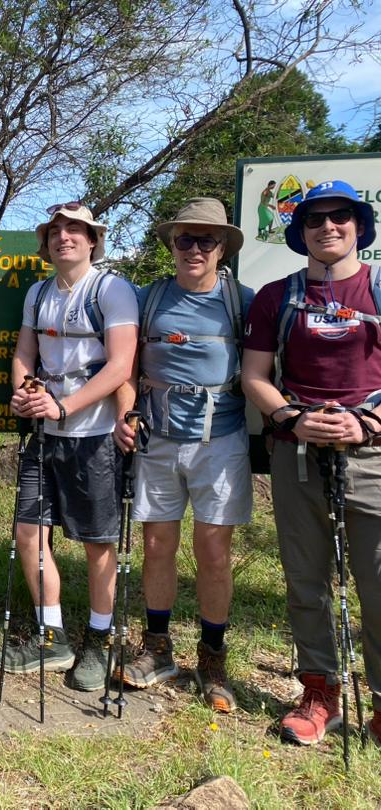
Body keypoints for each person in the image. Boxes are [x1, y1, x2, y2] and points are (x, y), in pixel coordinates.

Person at [241, 179, 381, 746]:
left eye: (340, 216)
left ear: (358, 225)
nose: (328, 226)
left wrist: (370, 422)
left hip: (371, 455)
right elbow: (254, 375)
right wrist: (291, 420)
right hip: (296, 456)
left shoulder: (379, 286)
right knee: (307, 580)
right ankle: (320, 690)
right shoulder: (277, 296)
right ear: (299, 233)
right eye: (315, 219)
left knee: (377, 581)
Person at [0, 202, 138, 691]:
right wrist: (26, 392)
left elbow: (120, 366)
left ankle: (99, 639)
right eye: (56, 230)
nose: (65, 237)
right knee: (29, 532)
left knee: (98, 542)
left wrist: (65, 406)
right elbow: (24, 353)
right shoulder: (38, 292)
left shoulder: (112, 290)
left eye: (76, 230)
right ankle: (51, 635)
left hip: (93, 435)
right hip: (43, 435)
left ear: (93, 240)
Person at [115, 198, 254, 712]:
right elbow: (126, 369)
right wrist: (126, 414)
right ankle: (157, 648)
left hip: (222, 440)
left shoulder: (243, 300)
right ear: (171, 245)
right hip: (157, 436)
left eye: (206, 240)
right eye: (185, 239)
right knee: (157, 545)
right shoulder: (146, 299)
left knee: (214, 550)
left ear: (222, 248)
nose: (194, 249)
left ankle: (213, 657)